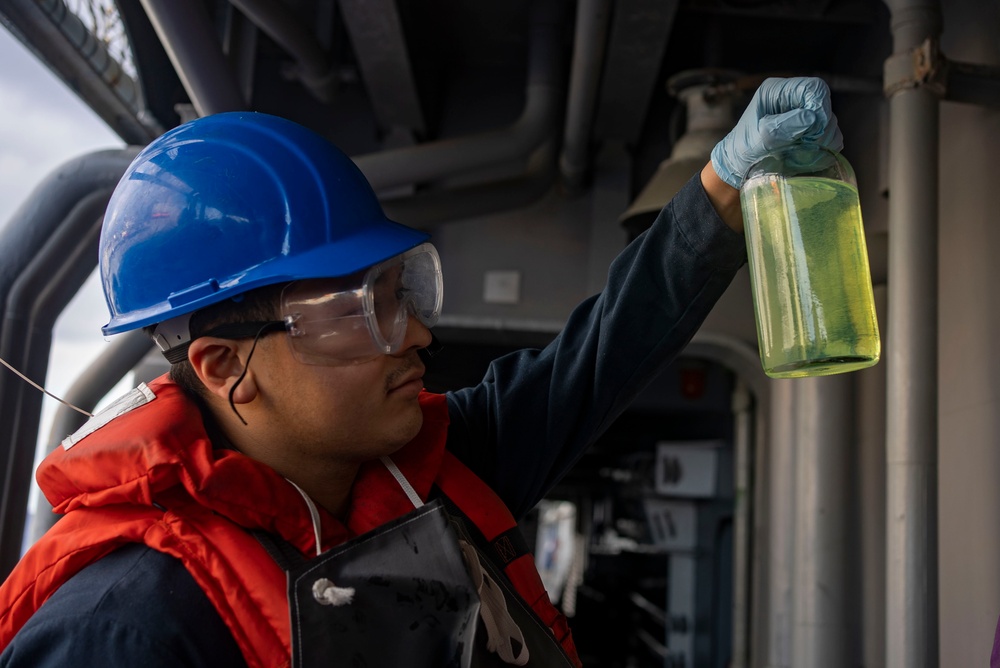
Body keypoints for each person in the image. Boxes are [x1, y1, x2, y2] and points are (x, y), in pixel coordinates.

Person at [0, 76, 841, 667]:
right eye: (369, 309)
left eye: (407, 295)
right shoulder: (127, 627)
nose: (417, 337)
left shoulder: (441, 466)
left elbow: (605, 350)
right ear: (228, 369)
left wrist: (724, 184)